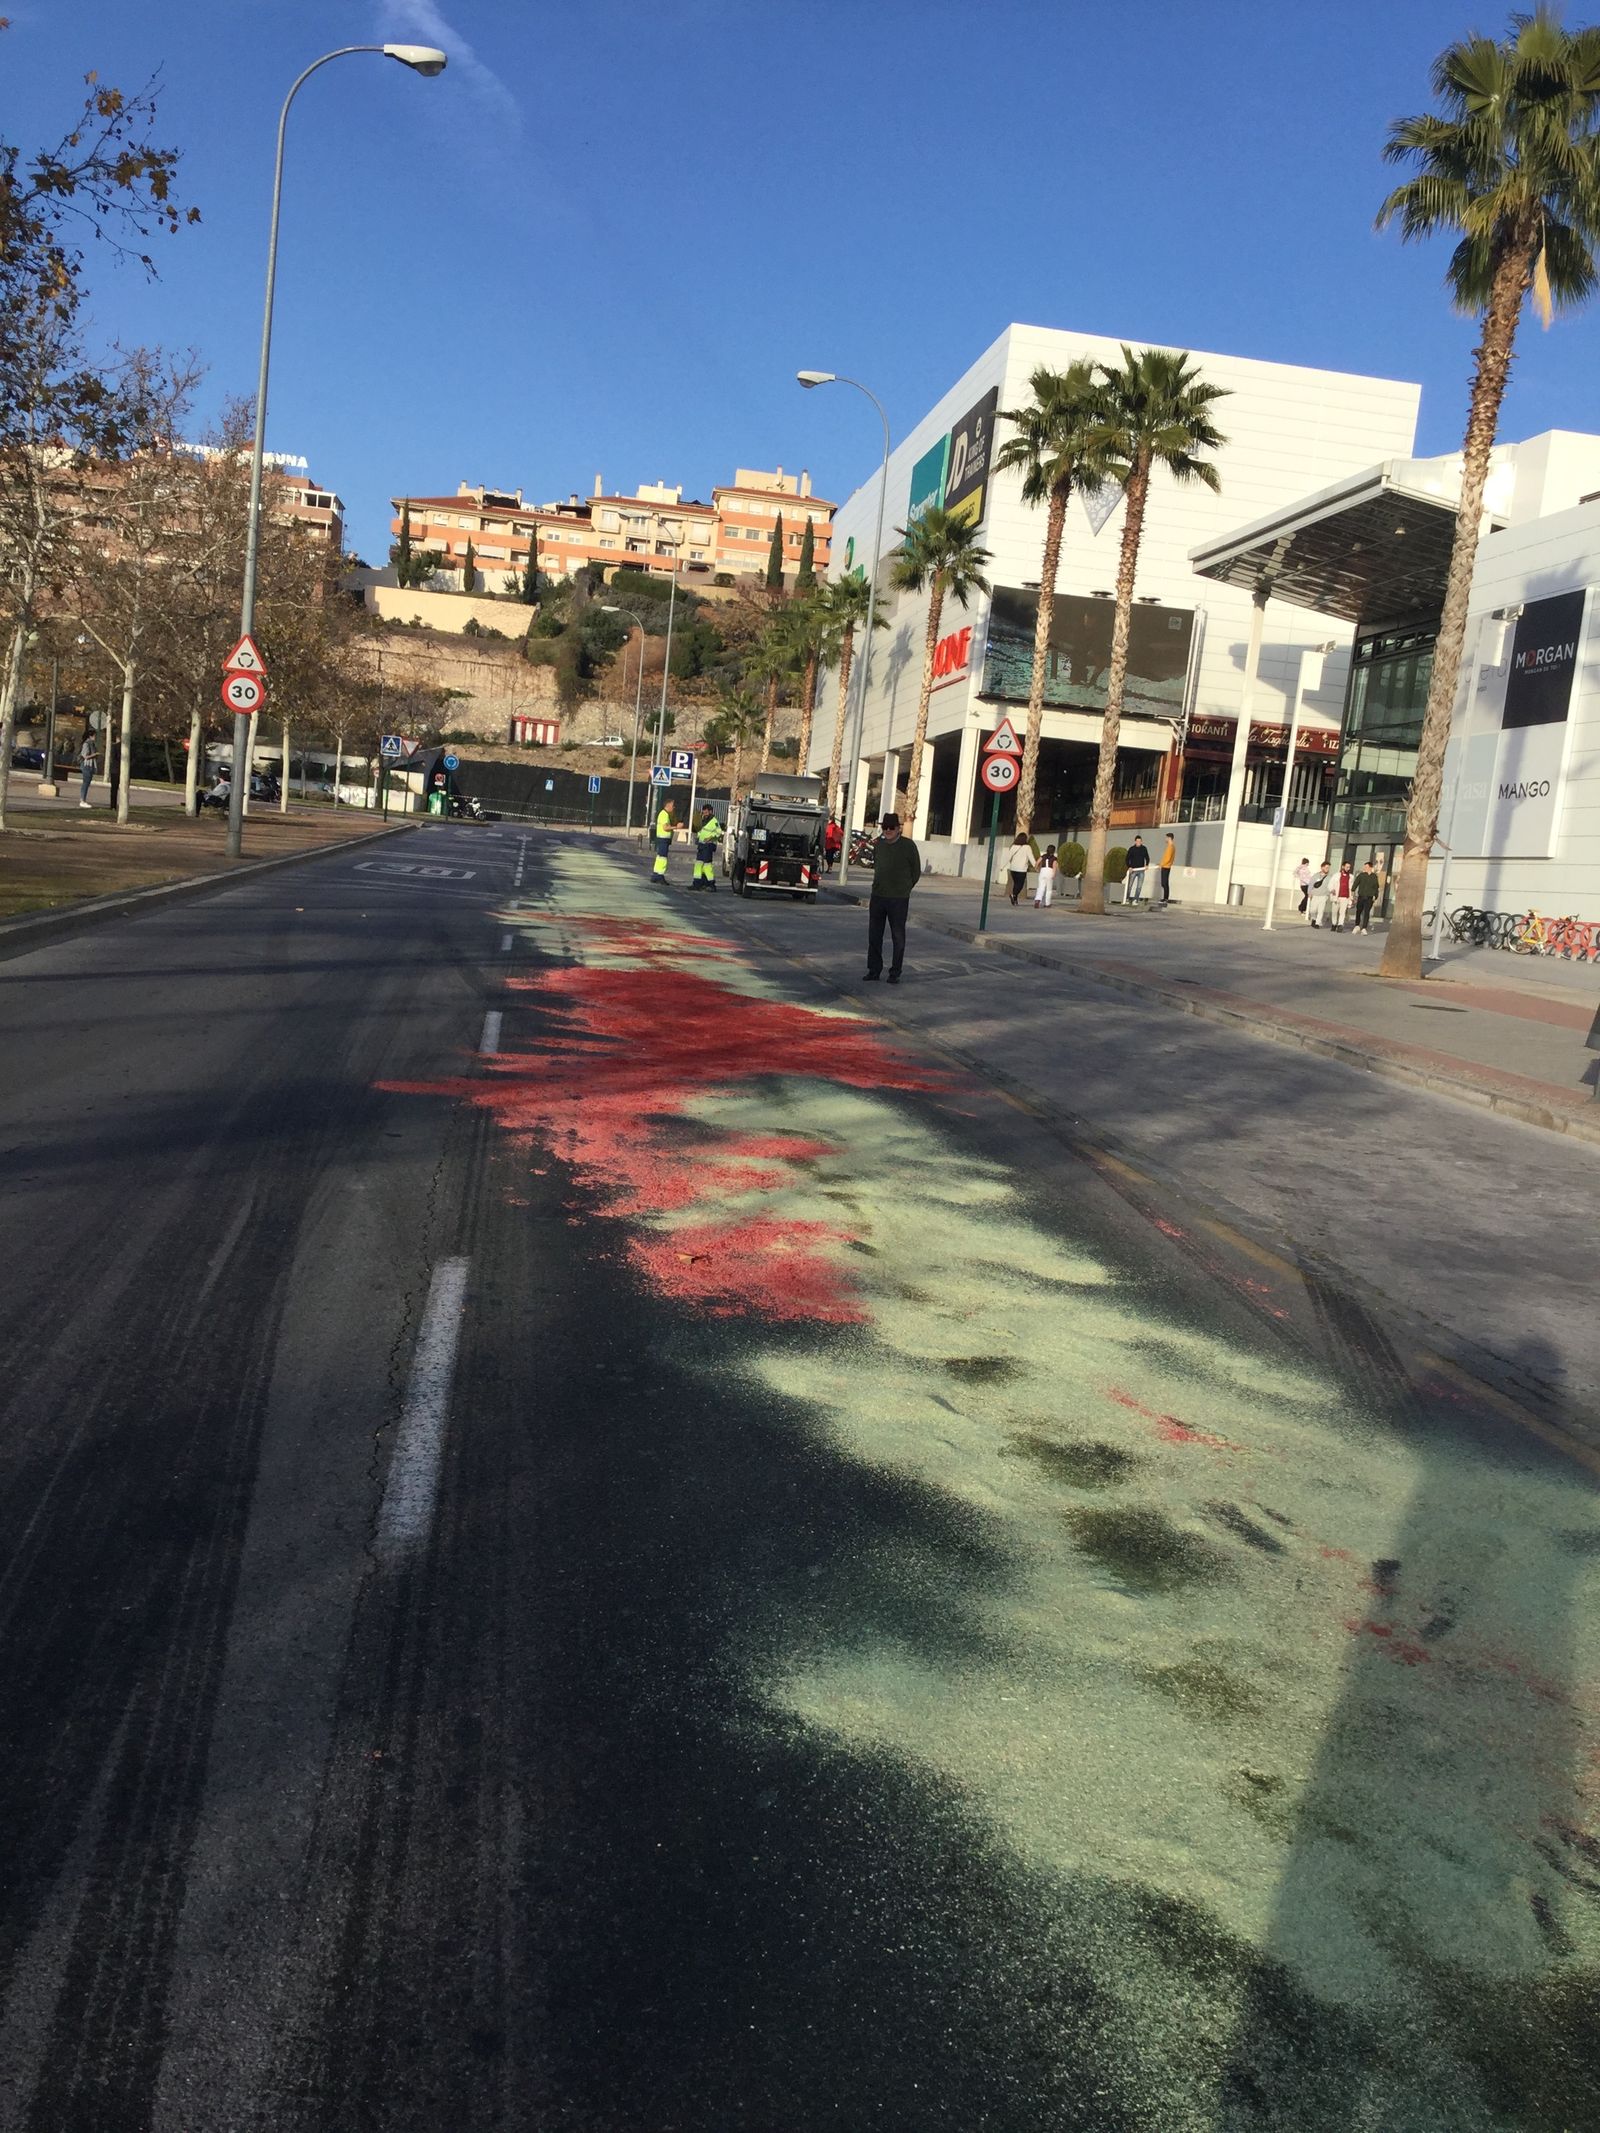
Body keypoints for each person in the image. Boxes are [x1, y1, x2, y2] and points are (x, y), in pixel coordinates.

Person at [864, 812, 920, 985]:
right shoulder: (879, 845)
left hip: (898, 899)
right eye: (885, 827)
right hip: (878, 896)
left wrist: (905, 888)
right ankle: (874, 970)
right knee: (874, 935)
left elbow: (916, 871)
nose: (888, 830)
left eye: (891, 828)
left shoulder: (908, 846)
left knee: (898, 936)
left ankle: (895, 972)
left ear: (898, 829)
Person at [691, 803, 722, 890]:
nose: (704, 814)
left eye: (706, 812)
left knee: (707, 865)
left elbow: (719, 833)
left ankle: (711, 884)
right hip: (701, 845)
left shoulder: (714, 821)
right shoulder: (702, 820)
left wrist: (711, 838)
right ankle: (697, 883)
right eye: (703, 812)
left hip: (708, 845)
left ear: (710, 812)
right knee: (698, 864)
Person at [1003, 833, 1033, 906]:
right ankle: (1014, 895)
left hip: (1013, 869)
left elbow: (1008, 857)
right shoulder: (1027, 847)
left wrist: (1003, 866)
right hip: (1022, 869)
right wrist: (1035, 865)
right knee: (1020, 885)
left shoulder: (1013, 847)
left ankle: (1015, 899)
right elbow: (1031, 858)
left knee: (1016, 884)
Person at [651, 798, 676, 885]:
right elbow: (665, 828)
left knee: (659, 857)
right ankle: (660, 876)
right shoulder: (664, 814)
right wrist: (676, 827)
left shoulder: (663, 814)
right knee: (663, 858)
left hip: (661, 839)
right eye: (672, 806)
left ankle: (655, 875)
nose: (674, 807)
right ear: (668, 805)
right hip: (663, 839)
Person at [1352, 859, 1381, 934]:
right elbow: (1355, 885)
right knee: (1358, 911)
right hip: (1361, 896)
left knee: (1367, 912)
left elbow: (1376, 887)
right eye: (1364, 867)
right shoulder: (1361, 875)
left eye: (1366, 867)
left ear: (1370, 867)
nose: (1365, 868)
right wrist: (1352, 895)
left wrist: (1376, 896)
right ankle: (1357, 925)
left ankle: (1364, 928)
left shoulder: (1374, 876)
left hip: (1369, 897)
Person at [1124, 834, 1150, 904]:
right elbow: (1127, 859)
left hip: (1141, 870)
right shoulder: (1132, 849)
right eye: (1137, 841)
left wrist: (1147, 865)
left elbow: (1147, 857)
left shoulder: (1144, 848)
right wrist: (1129, 867)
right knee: (1129, 885)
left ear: (1141, 842)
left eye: (1140, 841)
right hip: (1133, 870)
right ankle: (1127, 898)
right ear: (1135, 841)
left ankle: (1136, 900)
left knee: (1139, 886)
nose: (1138, 842)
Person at [1329, 861, 1353, 933]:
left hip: (1345, 897)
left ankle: (1340, 925)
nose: (1348, 868)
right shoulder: (1336, 875)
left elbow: (1351, 888)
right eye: (1347, 867)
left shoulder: (1351, 877)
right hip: (1336, 896)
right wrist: (1331, 889)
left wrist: (1351, 897)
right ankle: (1334, 924)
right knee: (1334, 911)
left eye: (1349, 867)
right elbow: (1330, 884)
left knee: (1342, 912)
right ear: (1343, 866)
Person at [1306, 859, 1331, 929]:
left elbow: (1331, 886)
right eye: (1326, 867)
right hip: (1315, 895)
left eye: (1328, 868)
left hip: (1324, 896)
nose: (1327, 869)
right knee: (1312, 910)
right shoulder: (1316, 876)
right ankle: (1314, 919)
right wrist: (1309, 892)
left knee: (1321, 910)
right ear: (1322, 867)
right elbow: (1311, 884)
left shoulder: (1329, 877)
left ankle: (1317, 923)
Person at [78, 732, 98, 808]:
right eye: (94, 736)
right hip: (86, 765)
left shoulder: (92, 744)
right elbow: (85, 756)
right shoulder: (86, 744)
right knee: (85, 783)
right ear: (90, 736)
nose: (95, 737)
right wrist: (94, 755)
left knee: (87, 783)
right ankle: (82, 800)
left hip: (91, 765)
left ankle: (83, 799)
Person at [1034, 845, 1058, 909]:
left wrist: (1037, 869)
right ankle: (1047, 903)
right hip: (1050, 872)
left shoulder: (1043, 856)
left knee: (1041, 887)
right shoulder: (1054, 858)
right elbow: (1054, 866)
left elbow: (1037, 863)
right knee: (1049, 889)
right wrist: (1054, 874)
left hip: (1043, 871)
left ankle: (1037, 900)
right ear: (1053, 850)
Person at [1158, 831, 1176, 905]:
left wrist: (1161, 864)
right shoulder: (1172, 847)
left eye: (1166, 838)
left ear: (1169, 838)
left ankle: (1166, 898)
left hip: (1166, 866)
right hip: (1166, 866)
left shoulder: (1170, 847)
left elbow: (1168, 858)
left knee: (1164, 883)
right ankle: (1165, 898)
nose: (1165, 839)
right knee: (1164, 883)